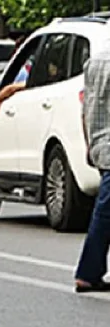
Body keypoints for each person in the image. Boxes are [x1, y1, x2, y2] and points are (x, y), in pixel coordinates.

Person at [74, 43, 110, 293]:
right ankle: (88, 272)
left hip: (100, 143)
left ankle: (90, 272)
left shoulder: (95, 62)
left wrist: (89, 144)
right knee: (105, 213)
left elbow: (84, 110)